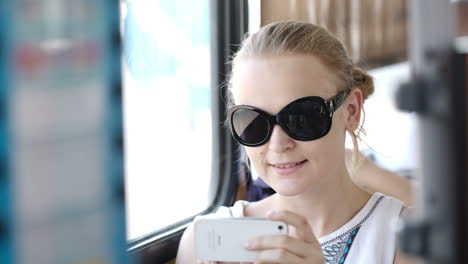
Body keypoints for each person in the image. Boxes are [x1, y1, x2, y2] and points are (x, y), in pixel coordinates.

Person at [176, 21, 414, 264]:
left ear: (351, 111)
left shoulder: (408, 241)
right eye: (254, 122)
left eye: (302, 117)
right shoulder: (201, 244)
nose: (278, 144)